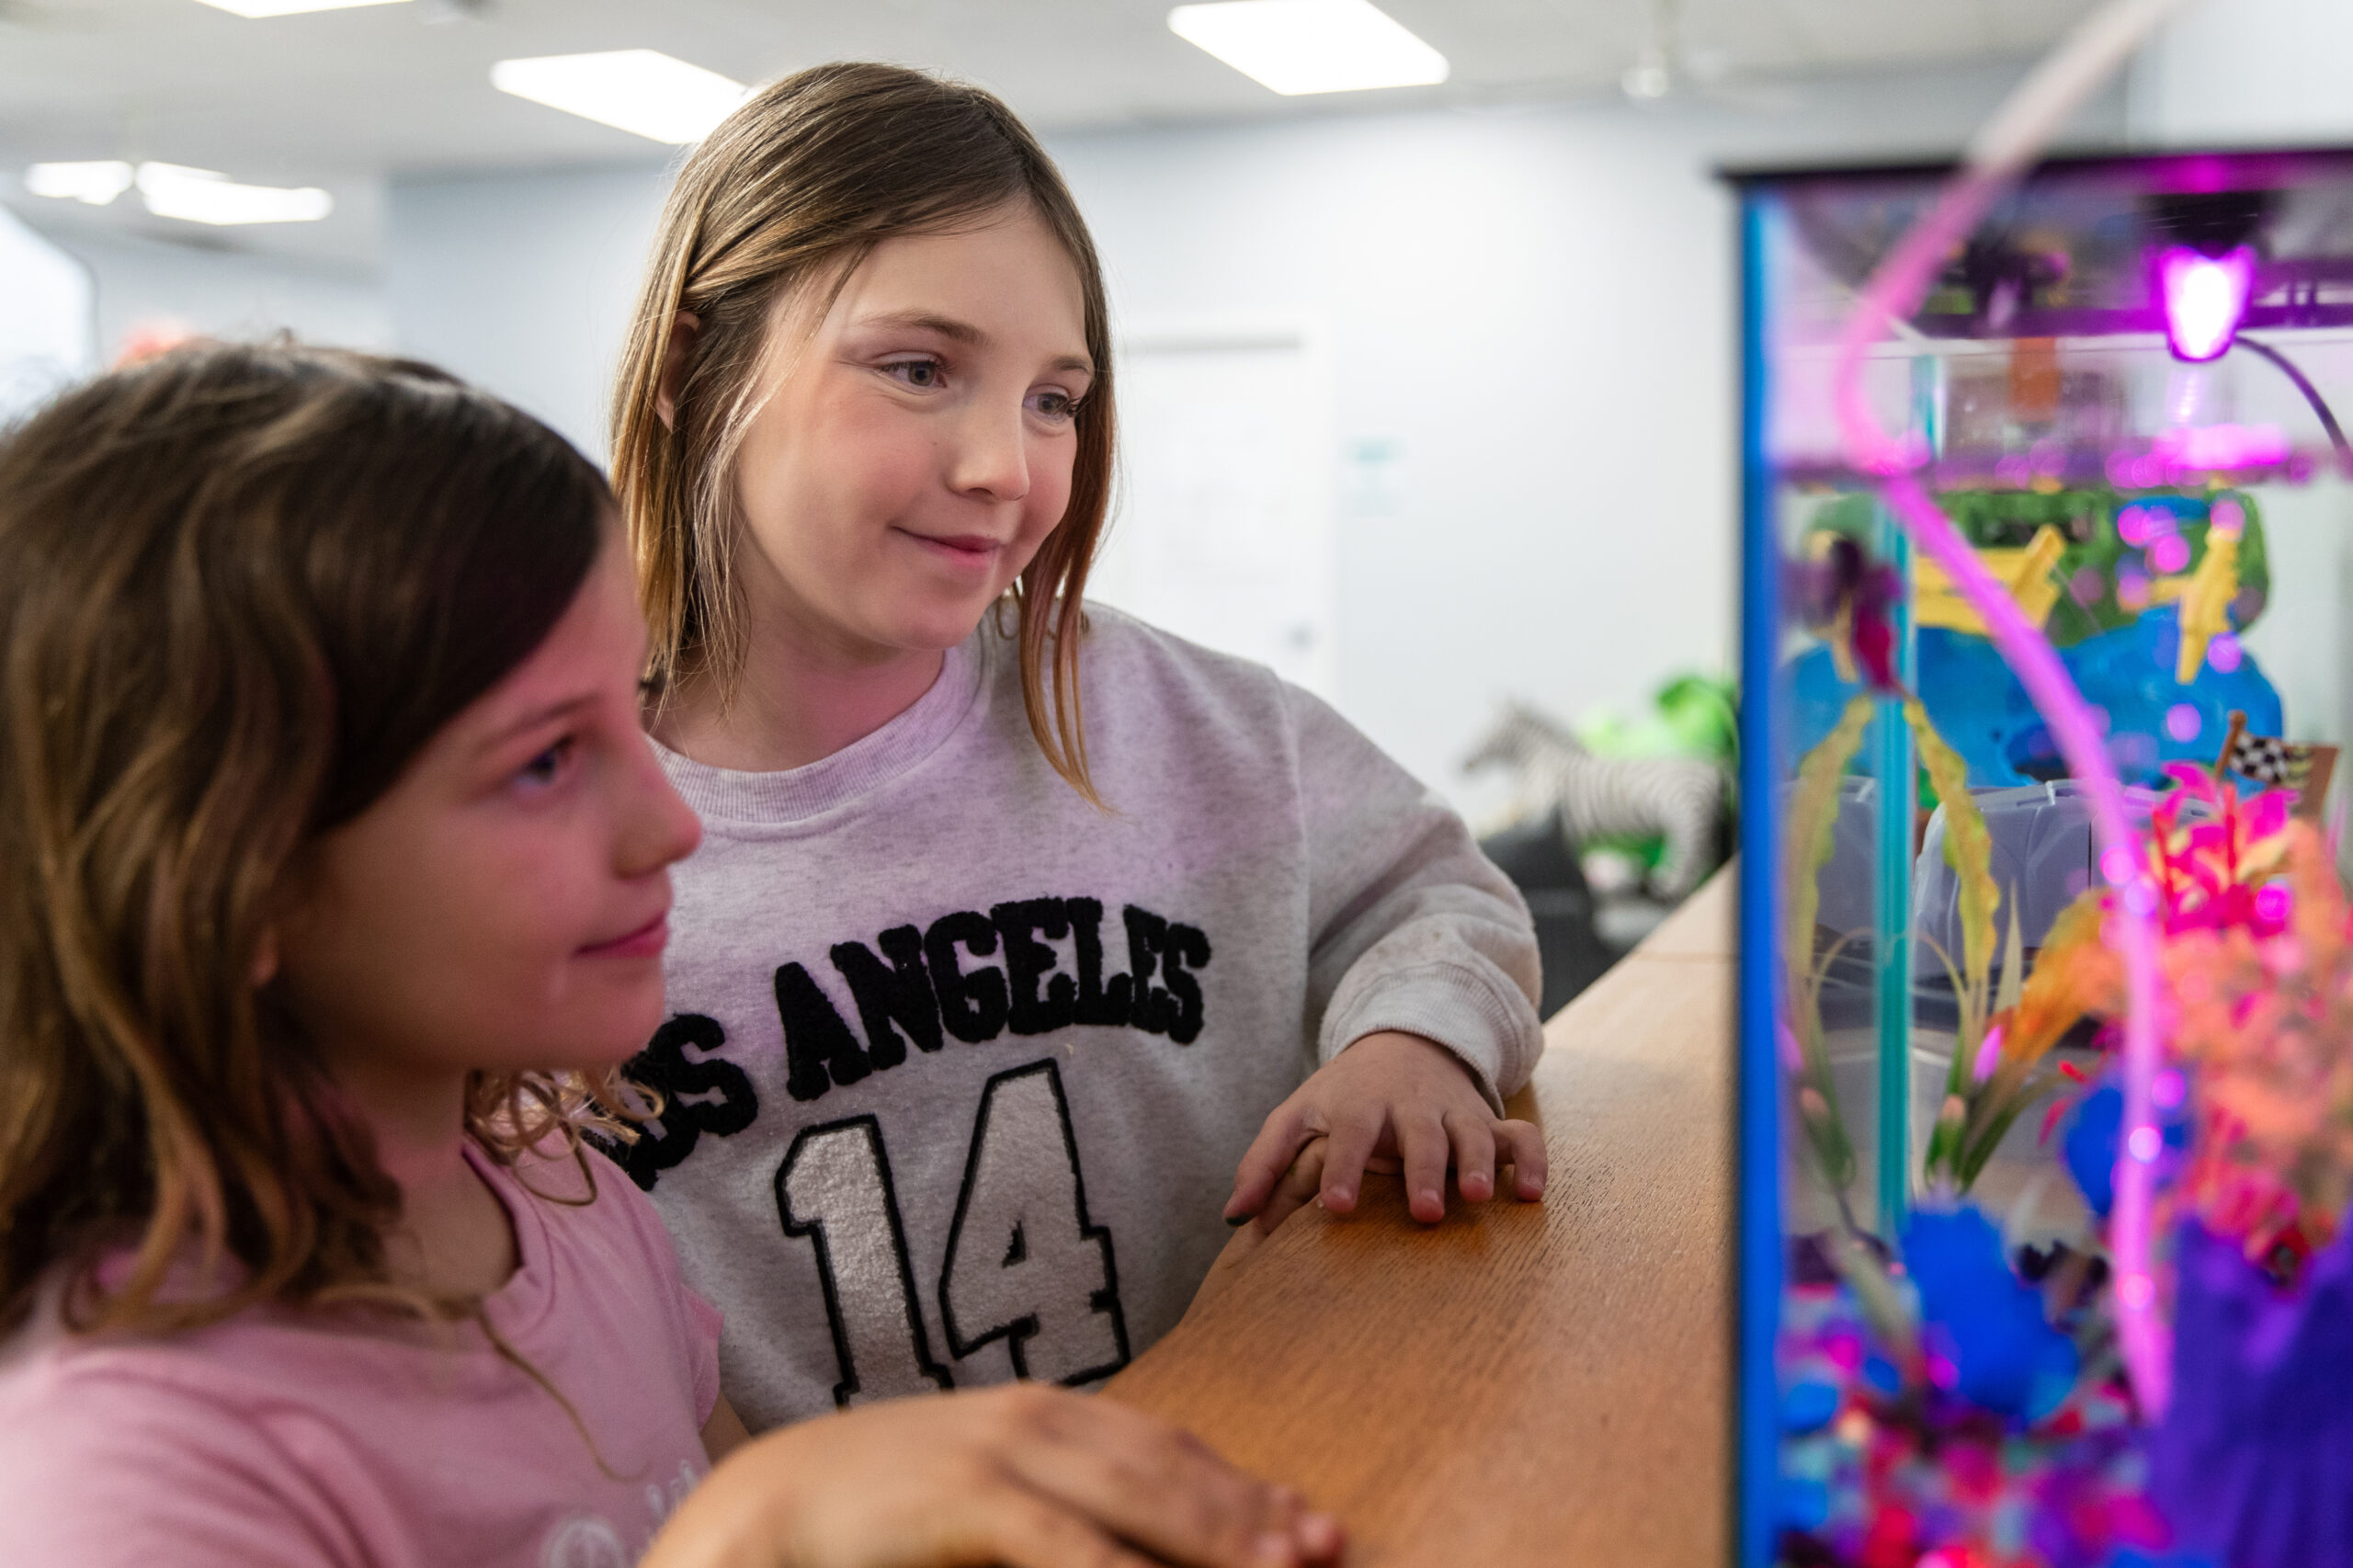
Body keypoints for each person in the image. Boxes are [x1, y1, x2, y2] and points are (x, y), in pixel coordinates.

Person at [0, 342, 1341, 1568]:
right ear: (225, 876)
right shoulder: (117, 1469)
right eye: (539, 764)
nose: (672, 823)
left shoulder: (565, 1196)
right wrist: (749, 1534)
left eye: (626, 714)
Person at [608, 61, 1552, 1432]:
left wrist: (1415, 1038)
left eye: (1054, 398)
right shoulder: (557, 838)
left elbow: (1434, 890)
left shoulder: (1182, 721)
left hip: (1254, 1481)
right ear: (699, 366)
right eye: (921, 369)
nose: (1007, 463)